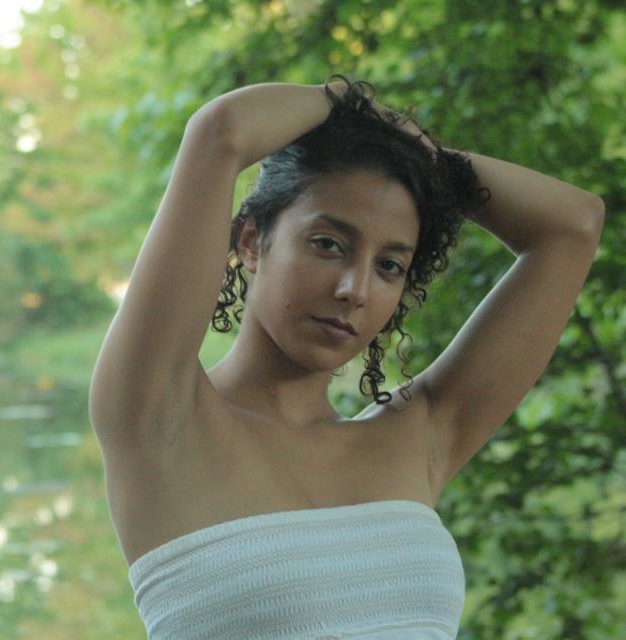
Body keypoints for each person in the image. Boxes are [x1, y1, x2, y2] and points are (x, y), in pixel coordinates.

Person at [87, 78, 604, 639]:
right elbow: (220, 131)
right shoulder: (160, 419)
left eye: (389, 266)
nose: (355, 289)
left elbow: (574, 226)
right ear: (252, 242)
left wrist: (420, 155)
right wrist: (354, 103)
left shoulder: (420, 435)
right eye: (328, 244)